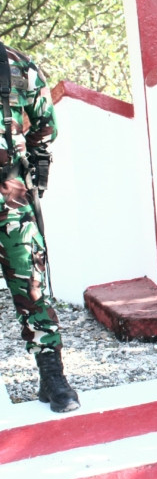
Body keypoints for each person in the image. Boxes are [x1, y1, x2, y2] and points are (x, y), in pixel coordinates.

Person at [0, 41, 80, 412]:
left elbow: (45, 122)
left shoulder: (14, 64)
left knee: (31, 289)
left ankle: (53, 378)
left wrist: (35, 164)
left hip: (11, 200)